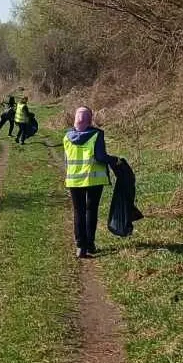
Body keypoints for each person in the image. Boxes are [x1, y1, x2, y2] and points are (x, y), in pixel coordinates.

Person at [64, 106, 119, 258]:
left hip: (73, 180)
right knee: (91, 210)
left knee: (78, 211)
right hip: (94, 179)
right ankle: (90, 245)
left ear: (75, 119)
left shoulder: (67, 136)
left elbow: (66, 161)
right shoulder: (97, 135)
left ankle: (80, 247)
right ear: (90, 119)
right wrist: (115, 160)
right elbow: (101, 157)